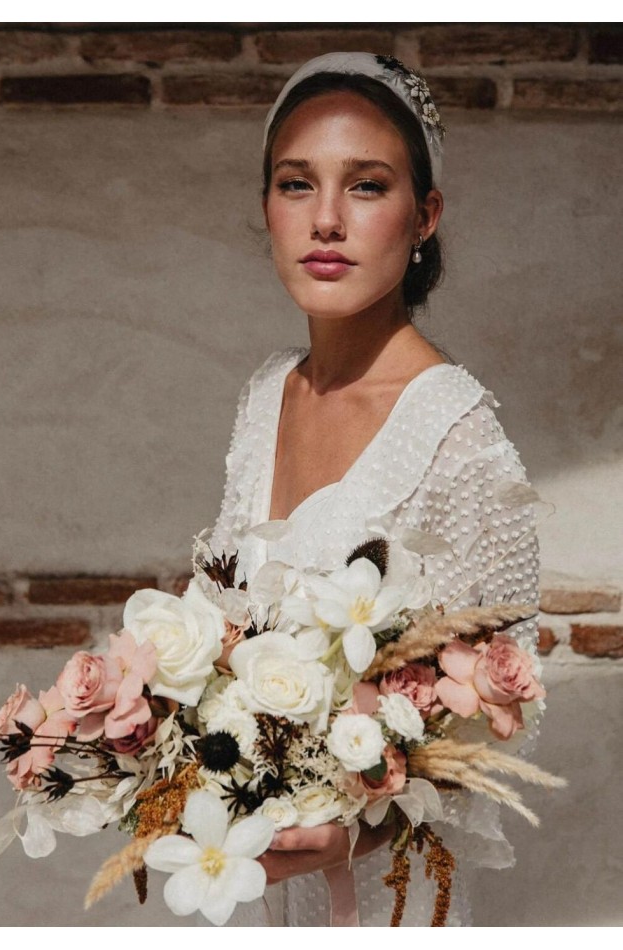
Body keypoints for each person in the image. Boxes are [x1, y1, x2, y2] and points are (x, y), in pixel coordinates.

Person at [209, 52, 539, 927]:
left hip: (387, 899)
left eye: (365, 186)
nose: (325, 220)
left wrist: (356, 831)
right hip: (248, 872)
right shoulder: (264, 395)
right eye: (295, 184)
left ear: (424, 214)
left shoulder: (460, 437)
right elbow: (221, 622)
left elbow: (503, 718)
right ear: (265, 209)